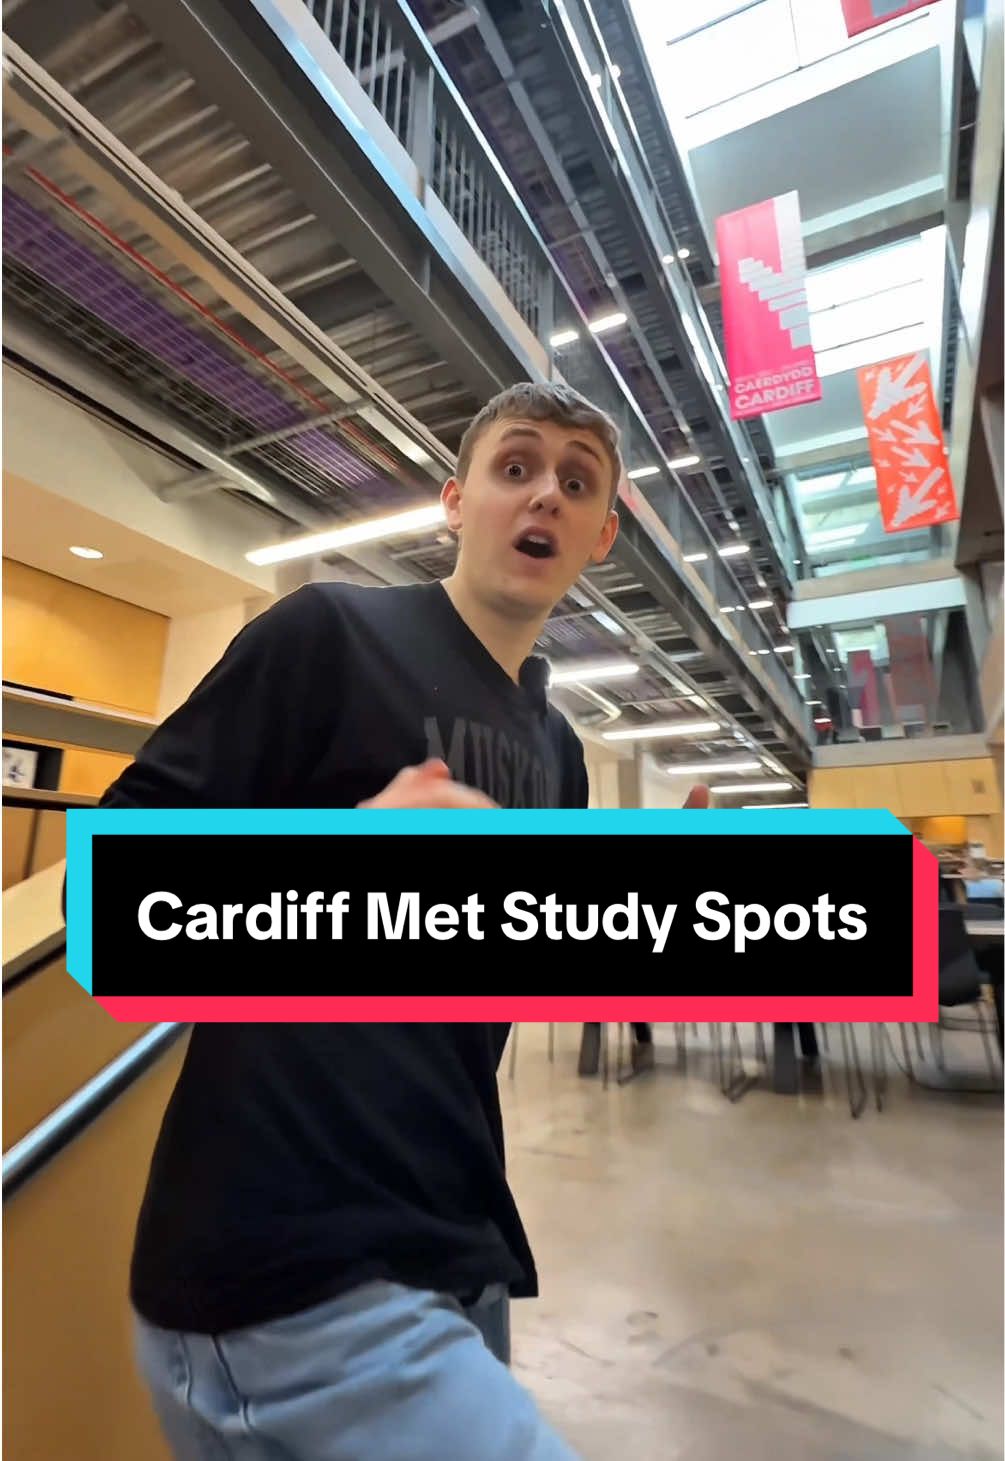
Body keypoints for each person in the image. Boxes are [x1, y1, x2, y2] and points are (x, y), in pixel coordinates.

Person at [88, 382, 703, 1461]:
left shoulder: (555, 752)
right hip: (288, 1260)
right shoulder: (330, 634)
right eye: (516, 469)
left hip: (460, 1245)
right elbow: (115, 900)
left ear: (602, 536)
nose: (542, 497)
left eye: (575, 481)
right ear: (453, 503)